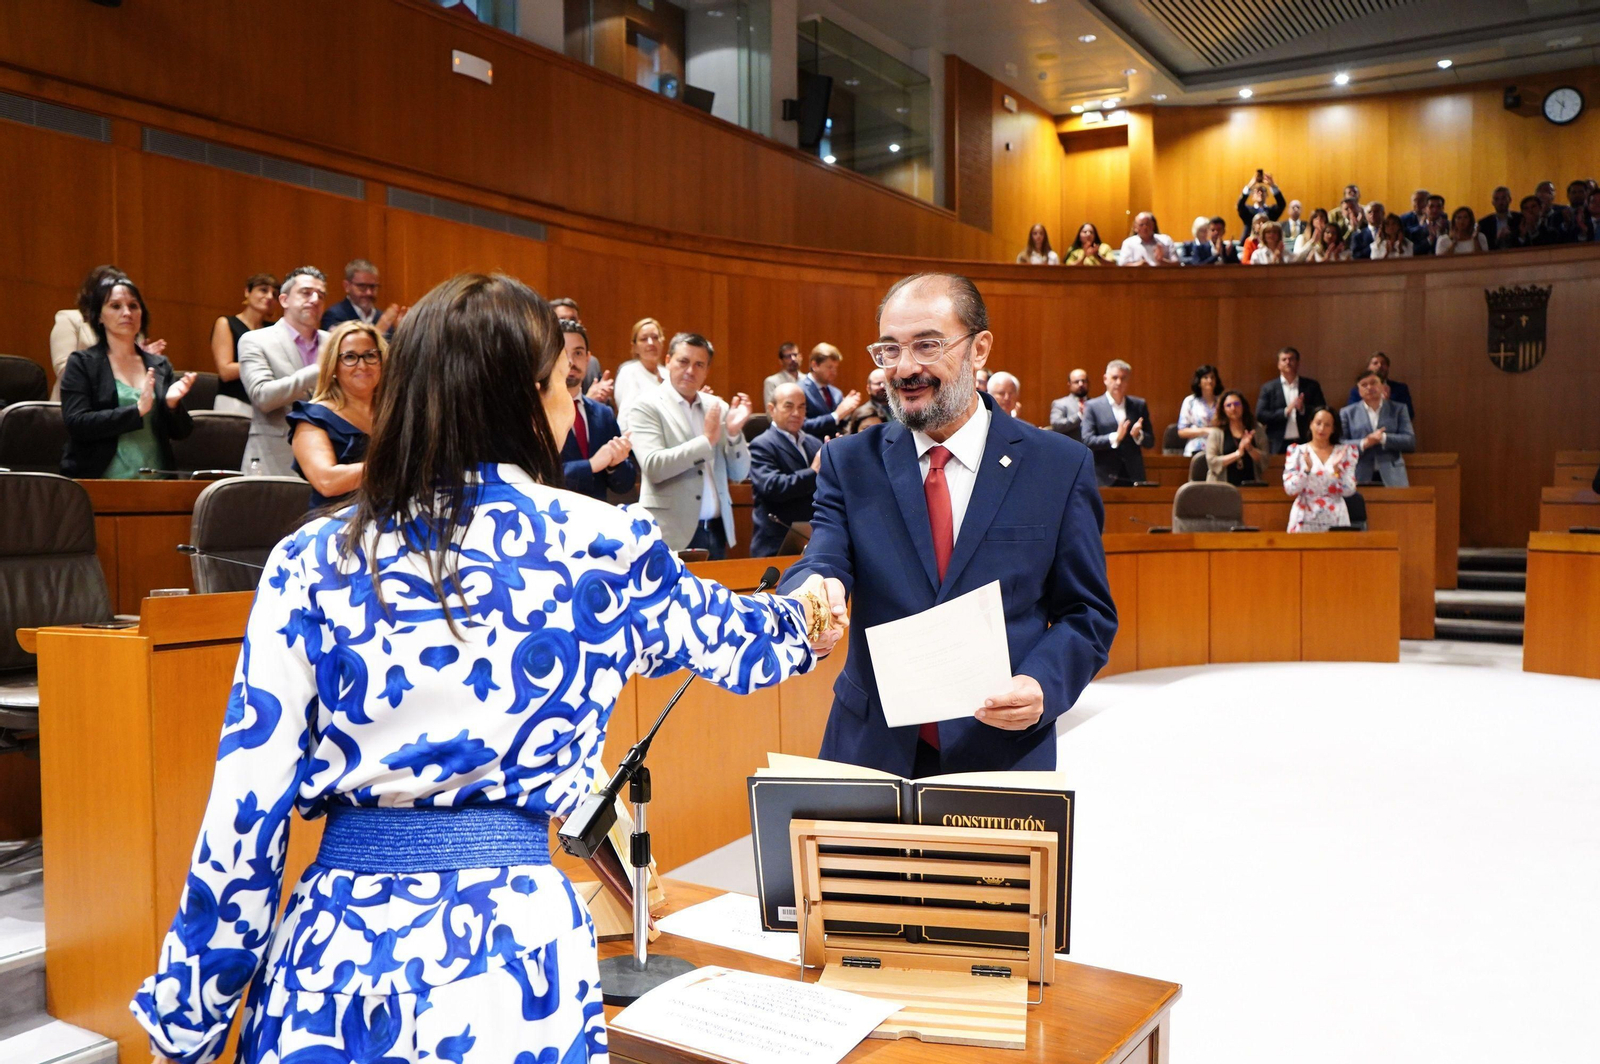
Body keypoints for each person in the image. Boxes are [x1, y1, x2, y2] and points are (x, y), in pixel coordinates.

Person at [130, 272, 842, 1064]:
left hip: (337, 962)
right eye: (567, 382)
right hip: (515, 965)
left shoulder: (311, 558)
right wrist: (818, 606)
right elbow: (754, 646)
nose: (573, 402)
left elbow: (242, 819)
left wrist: (185, 1028)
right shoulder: (604, 543)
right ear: (532, 397)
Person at [778, 271, 1116, 776]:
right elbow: (823, 557)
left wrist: (1043, 684)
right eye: (889, 350)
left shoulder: (1058, 467)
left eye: (927, 345)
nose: (905, 368)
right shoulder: (850, 463)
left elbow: (1087, 613)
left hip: (1000, 751)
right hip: (870, 748)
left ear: (980, 349)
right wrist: (810, 594)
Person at [59, 274, 195, 480]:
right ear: (99, 316)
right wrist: (136, 411)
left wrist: (172, 405)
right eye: (115, 306)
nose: (127, 313)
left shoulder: (159, 365)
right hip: (99, 480)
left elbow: (181, 432)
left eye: (133, 306)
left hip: (156, 481)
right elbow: (77, 423)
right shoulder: (83, 363)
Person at [629, 332, 753, 558]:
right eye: (683, 361)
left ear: (707, 371)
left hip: (717, 529)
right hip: (671, 532)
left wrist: (734, 435)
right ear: (667, 361)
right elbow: (654, 467)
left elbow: (739, 473)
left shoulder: (718, 407)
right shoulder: (646, 406)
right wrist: (705, 442)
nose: (690, 371)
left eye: (699, 365)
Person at [239, 265, 329, 475]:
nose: (315, 299)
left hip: (330, 458)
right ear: (284, 300)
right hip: (276, 459)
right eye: (306, 293)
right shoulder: (255, 340)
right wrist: (318, 370)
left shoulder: (336, 343)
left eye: (321, 296)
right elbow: (263, 397)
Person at [286, 321, 385, 509]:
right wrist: (395, 466)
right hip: (337, 526)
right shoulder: (312, 417)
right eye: (350, 357)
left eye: (370, 355)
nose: (362, 365)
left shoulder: (396, 413)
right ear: (333, 367)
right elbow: (327, 482)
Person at [51, 265, 164, 400]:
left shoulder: (130, 326)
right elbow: (66, 372)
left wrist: (144, 362)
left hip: (124, 408)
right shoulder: (69, 320)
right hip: (75, 409)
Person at [556, 319, 635, 502]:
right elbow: (540, 476)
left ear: (588, 358)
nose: (571, 362)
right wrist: (591, 465)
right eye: (562, 353)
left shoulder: (603, 413)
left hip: (598, 520)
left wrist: (615, 463)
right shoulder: (536, 412)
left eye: (578, 353)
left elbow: (624, 485)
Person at [749, 382, 823, 557]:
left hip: (813, 541)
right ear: (771, 409)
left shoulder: (814, 443)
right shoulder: (761, 444)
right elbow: (772, 486)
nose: (796, 413)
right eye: (789, 406)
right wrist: (813, 472)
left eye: (801, 407)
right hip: (775, 543)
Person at [1283, 407, 1360, 532]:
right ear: (1311, 424)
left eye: (1327, 425)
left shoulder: (1345, 452)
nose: (1321, 429)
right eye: (1318, 423)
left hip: (1335, 516)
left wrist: (1337, 472)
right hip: (1304, 516)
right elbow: (1290, 489)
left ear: (1333, 428)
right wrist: (1306, 471)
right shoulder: (1297, 451)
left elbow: (1349, 491)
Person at [209, 273, 277, 412]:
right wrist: (263, 363)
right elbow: (225, 371)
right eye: (263, 290)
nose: (269, 297)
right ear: (247, 292)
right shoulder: (226, 323)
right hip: (233, 402)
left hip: (265, 404)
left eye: (274, 294)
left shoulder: (274, 329)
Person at [1082, 359, 1153, 486]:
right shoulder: (1092, 406)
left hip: (1134, 475)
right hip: (1104, 476)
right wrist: (1115, 437)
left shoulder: (1138, 405)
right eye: (1114, 378)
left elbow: (1151, 441)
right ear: (1105, 379)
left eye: (1123, 378)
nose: (1119, 382)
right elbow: (1087, 440)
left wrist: (1139, 435)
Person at [1340, 366, 1415, 486]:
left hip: (1393, 475)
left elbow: (1410, 441)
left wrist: (1384, 438)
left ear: (1383, 387)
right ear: (1359, 391)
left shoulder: (1398, 409)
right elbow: (1339, 444)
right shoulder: (1347, 413)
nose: (1369, 387)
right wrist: (1364, 443)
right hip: (1360, 473)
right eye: (1364, 385)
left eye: (1373, 383)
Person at [1257, 346, 1326, 454]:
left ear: (1298, 363)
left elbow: (1322, 411)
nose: (1288, 362)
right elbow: (1260, 415)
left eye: (1291, 359)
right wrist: (1285, 412)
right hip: (1278, 443)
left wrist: (1303, 409)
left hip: (1305, 440)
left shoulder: (1311, 386)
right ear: (1278, 364)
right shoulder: (1268, 388)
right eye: (1284, 359)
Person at [320, 258, 404, 336]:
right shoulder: (334, 316)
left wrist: (400, 331)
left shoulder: (382, 317)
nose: (369, 293)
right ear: (347, 286)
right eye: (362, 287)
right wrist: (380, 329)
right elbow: (343, 349)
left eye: (373, 287)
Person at [1203, 390, 1268, 486]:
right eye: (1228, 405)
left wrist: (1250, 448)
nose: (1233, 408)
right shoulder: (1216, 432)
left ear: (1243, 406)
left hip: (1251, 486)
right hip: (1221, 488)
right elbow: (1212, 462)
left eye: (1237, 404)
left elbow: (1265, 460)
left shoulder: (1256, 429)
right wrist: (1237, 454)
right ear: (1223, 410)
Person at [799, 342, 862, 439]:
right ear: (815, 365)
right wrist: (836, 415)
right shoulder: (800, 390)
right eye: (830, 367)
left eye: (835, 368)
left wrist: (848, 412)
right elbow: (802, 425)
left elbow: (842, 425)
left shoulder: (836, 393)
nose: (834, 372)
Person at [614, 316, 667, 424]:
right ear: (635, 347)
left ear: (662, 342)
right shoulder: (628, 372)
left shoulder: (669, 374)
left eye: (655, 337)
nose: (651, 343)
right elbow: (626, 417)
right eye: (644, 339)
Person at [550, 297, 604, 394]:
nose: (569, 323)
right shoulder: (540, 365)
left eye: (573, 319)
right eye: (561, 320)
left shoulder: (592, 364)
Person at [1344, 351, 1414, 420]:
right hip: (1367, 430)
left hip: (1393, 430)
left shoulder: (1400, 389)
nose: (1379, 366)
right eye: (1375, 363)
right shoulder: (1357, 391)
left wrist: (1388, 403)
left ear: (1388, 367)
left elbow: (1409, 414)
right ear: (1368, 368)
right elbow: (1352, 416)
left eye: (1383, 363)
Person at [1177, 364, 1222, 456]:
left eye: (1212, 377)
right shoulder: (1190, 401)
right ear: (1199, 382)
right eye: (1205, 377)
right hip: (1196, 448)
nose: (1209, 380)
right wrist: (1206, 431)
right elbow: (1181, 431)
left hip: (1219, 447)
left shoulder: (1222, 401)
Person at [1237, 172, 1285, 238]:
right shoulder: (1248, 211)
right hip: (1250, 241)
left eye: (1263, 191)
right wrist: (1251, 184)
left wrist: (1272, 185)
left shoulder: (1271, 211)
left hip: (1269, 241)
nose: (1260, 193)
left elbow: (1282, 204)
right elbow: (1240, 205)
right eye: (1257, 191)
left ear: (1267, 195)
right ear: (1252, 196)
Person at [1049, 368, 1091, 441]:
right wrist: (1079, 416)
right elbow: (1056, 425)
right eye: (1076, 382)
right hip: (1071, 447)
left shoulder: (1094, 403)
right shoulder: (1060, 404)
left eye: (1083, 381)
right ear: (1069, 384)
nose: (1081, 384)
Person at [763, 341, 801, 406]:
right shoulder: (772, 382)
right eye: (788, 356)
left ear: (800, 357)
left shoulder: (808, 379)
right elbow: (770, 412)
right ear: (781, 361)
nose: (793, 359)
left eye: (795, 355)